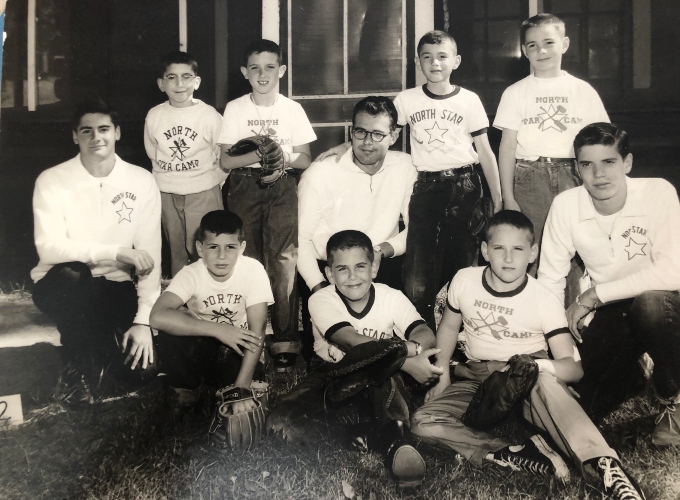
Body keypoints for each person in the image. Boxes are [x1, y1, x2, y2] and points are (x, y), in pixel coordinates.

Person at [412, 210, 645, 500]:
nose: (508, 258)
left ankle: (603, 465)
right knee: (423, 422)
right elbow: (448, 327)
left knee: (546, 382)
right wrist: (441, 376)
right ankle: (513, 451)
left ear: (532, 253)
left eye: (518, 249)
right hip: (478, 378)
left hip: (527, 380)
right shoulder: (464, 280)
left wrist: (535, 366)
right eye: (499, 248)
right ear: (485, 251)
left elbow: (573, 368)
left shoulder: (543, 298)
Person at [316, 30, 502, 330]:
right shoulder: (407, 100)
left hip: (465, 185)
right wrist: (344, 146)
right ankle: (421, 332)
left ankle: (463, 336)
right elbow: (381, 130)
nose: (435, 63)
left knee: (464, 262)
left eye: (442, 56)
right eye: (427, 57)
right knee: (418, 269)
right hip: (427, 186)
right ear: (418, 62)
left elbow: (486, 152)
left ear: (455, 61)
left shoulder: (469, 100)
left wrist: (498, 198)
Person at [538, 122, 680, 448]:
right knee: (582, 402)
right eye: (587, 164)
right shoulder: (565, 205)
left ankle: (673, 394)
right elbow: (550, 280)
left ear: (627, 163)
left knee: (650, 306)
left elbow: (674, 271)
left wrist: (593, 294)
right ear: (576, 169)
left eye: (609, 162)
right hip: (614, 310)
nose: (598, 174)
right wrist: (556, 345)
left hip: (667, 302)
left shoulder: (657, 191)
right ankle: (634, 371)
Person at [267, 230, 443, 488]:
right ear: (329, 274)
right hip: (331, 372)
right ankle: (363, 435)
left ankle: (396, 442)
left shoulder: (390, 296)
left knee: (385, 370)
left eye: (360, 266)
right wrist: (406, 359)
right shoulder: (320, 298)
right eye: (342, 269)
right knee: (279, 426)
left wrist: (408, 351)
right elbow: (351, 340)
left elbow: (425, 333)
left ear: (373, 268)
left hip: (380, 377)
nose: (352, 277)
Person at [31, 100, 162, 402]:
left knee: (145, 371)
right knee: (73, 275)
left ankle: (97, 354)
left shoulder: (140, 180)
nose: (96, 137)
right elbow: (48, 248)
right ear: (75, 136)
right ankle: (79, 365)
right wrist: (116, 251)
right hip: (63, 284)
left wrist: (143, 321)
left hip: (115, 288)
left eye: (103, 129)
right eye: (86, 131)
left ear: (117, 132)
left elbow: (149, 256)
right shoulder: (53, 180)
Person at [218, 39, 316, 372]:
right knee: (249, 260)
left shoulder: (292, 109)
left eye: (270, 67)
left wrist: (280, 156)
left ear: (282, 71)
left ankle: (285, 341)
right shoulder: (235, 108)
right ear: (245, 73)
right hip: (244, 185)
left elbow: (304, 159)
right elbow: (226, 162)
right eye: (255, 68)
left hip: (283, 184)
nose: (263, 74)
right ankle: (249, 338)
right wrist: (261, 153)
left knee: (284, 259)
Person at [297, 96, 417, 361]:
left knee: (384, 355)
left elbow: (415, 229)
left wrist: (383, 250)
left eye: (377, 134)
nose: (367, 142)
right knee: (329, 360)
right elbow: (301, 239)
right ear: (351, 131)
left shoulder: (406, 166)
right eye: (360, 132)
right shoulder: (320, 173)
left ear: (394, 135)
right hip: (327, 271)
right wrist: (319, 289)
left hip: (379, 263)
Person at [494, 13, 609, 278]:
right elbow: (507, 147)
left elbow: (601, 142)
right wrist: (508, 197)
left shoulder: (582, 90)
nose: (541, 50)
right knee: (531, 250)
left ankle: (574, 316)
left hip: (574, 175)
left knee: (574, 250)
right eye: (532, 45)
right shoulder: (515, 92)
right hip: (529, 177)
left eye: (548, 42)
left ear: (565, 44)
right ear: (524, 51)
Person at [149, 210, 269, 414]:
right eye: (213, 247)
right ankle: (186, 388)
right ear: (200, 248)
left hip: (240, 348)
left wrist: (241, 386)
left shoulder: (253, 270)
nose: (221, 256)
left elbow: (258, 331)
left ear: (242, 248)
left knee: (246, 399)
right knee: (171, 329)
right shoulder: (192, 273)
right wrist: (218, 329)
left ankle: (232, 383)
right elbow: (156, 316)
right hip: (203, 345)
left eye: (230, 247)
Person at [144, 51, 225, 277]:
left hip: (203, 191)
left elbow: (223, 156)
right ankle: (181, 301)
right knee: (176, 249)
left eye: (186, 77)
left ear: (196, 82)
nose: (179, 84)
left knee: (205, 246)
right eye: (171, 77)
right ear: (161, 84)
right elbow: (153, 152)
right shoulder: (154, 116)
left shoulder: (209, 116)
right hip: (167, 192)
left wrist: (211, 183)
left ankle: (209, 298)